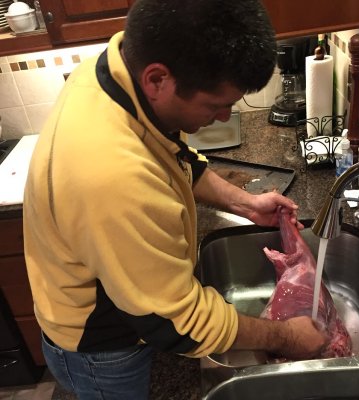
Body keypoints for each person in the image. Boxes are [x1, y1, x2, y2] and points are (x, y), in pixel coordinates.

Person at [23, 0, 326, 399]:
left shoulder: (116, 71)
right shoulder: (110, 174)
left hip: (121, 308)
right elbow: (175, 322)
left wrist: (245, 204)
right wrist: (286, 336)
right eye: (215, 105)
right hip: (103, 351)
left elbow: (174, 157)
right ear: (157, 79)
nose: (222, 118)